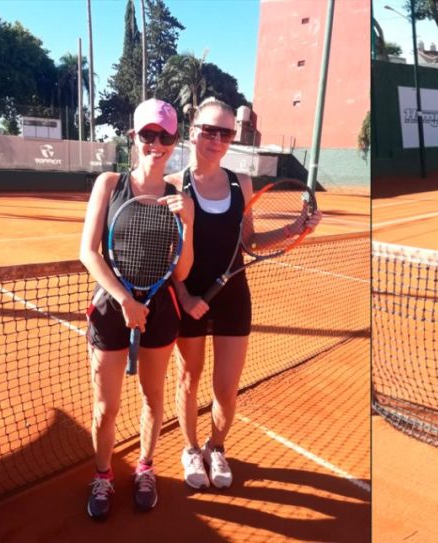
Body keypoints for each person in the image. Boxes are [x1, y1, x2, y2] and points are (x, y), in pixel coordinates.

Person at [167, 98, 321, 490]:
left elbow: (248, 241)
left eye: (226, 133)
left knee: (226, 388)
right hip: (190, 298)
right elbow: (167, 253)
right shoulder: (175, 184)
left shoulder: (242, 183)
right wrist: (184, 296)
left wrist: (294, 228)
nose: (217, 139)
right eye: (209, 130)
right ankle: (190, 449)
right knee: (188, 379)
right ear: (193, 132)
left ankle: (216, 447)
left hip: (233, 297)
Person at [79, 98, 194, 519]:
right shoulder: (110, 184)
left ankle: (145, 467)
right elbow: (88, 252)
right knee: (105, 408)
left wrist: (189, 222)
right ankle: (103, 475)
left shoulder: (179, 197)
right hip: (112, 309)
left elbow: (182, 269)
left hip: (160, 311)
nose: (156, 144)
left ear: (175, 141)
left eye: (165, 136)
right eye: (148, 134)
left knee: (152, 397)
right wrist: (125, 300)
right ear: (134, 136)